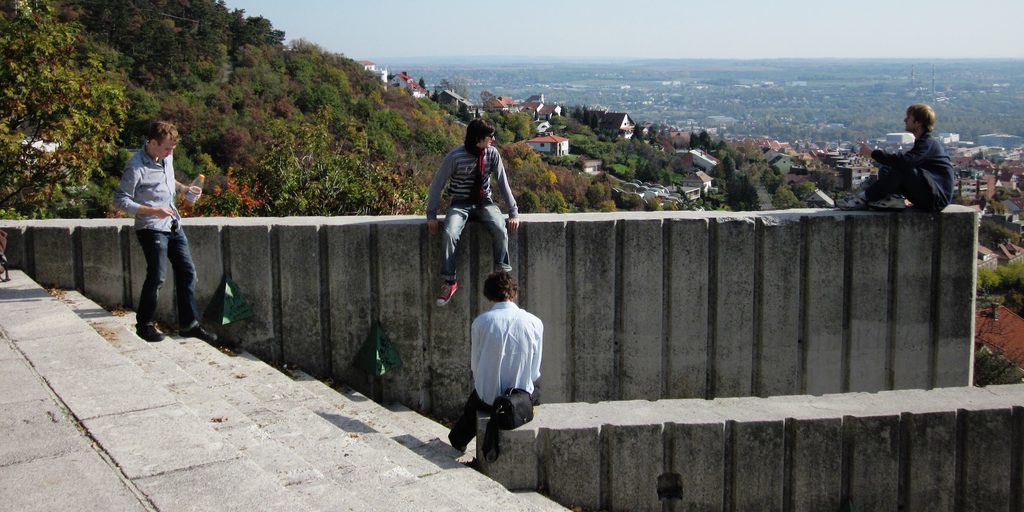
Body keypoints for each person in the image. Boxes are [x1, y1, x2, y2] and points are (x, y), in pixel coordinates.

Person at [113, 121, 218, 345]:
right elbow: (120, 200)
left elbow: (168, 179)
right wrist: (153, 210)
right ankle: (144, 325)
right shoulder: (136, 166)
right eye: (167, 148)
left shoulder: (165, 157)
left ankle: (189, 325)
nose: (171, 153)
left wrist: (183, 189)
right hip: (151, 227)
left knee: (187, 271)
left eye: (172, 149)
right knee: (158, 275)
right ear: (152, 143)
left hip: (172, 223)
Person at [427, 119, 519, 306]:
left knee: (500, 228)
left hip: (484, 202)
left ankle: (502, 276)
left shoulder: (492, 154)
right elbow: (437, 185)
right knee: (450, 232)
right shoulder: (455, 157)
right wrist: (431, 215)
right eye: (489, 136)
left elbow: (503, 183)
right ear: (478, 138)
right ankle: (450, 281)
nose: (493, 139)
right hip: (460, 203)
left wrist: (513, 212)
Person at [448, 271, 543, 452]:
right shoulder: (535, 322)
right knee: (534, 392)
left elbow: (475, 367)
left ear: (489, 294)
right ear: (514, 292)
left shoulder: (480, 322)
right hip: (519, 398)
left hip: (488, 400)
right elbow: (534, 372)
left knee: (475, 402)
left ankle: (458, 440)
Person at [837, 103, 954, 212]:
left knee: (902, 168)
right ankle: (894, 198)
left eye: (908, 117)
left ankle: (863, 198)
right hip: (931, 193)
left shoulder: (928, 143)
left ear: (918, 122)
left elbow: (906, 162)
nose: (905, 120)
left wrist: (873, 154)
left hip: (936, 199)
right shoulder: (925, 143)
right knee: (886, 168)